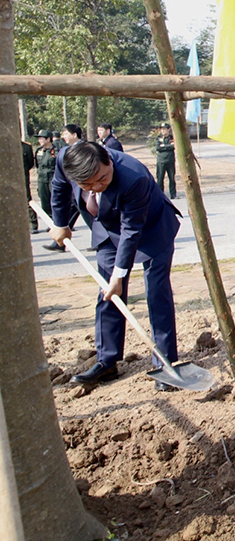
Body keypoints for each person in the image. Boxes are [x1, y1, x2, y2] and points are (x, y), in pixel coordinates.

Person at [49, 143, 184, 392]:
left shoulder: (133, 176)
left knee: (157, 293)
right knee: (107, 293)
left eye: (102, 178)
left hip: (152, 228)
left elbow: (131, 230)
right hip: (107, 230)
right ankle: (107, 360)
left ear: (109, 162)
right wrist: (61, 224)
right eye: (87, 185)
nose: (97, 187)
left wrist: (119, 275)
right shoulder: (65, 159)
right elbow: (58, 186)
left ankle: (165, 364)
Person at [154, 122, 176, 200]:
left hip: (170, 161)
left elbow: (174, 146)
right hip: (161, 161)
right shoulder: (158, 138)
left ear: (168, 129)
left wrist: (164, 146)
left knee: (172, 178)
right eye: (162, 129)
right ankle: (160, 195)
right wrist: (168, 146)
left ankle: (173, 194)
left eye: (164, 129)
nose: (163, 131)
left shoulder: (172, 138)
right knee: (160, 178)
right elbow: (158, 148)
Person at [23, 139, 39, 234]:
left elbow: (30, 163)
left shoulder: (26, 147)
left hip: (23, 177)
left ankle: (33, 223)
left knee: (27, 200)